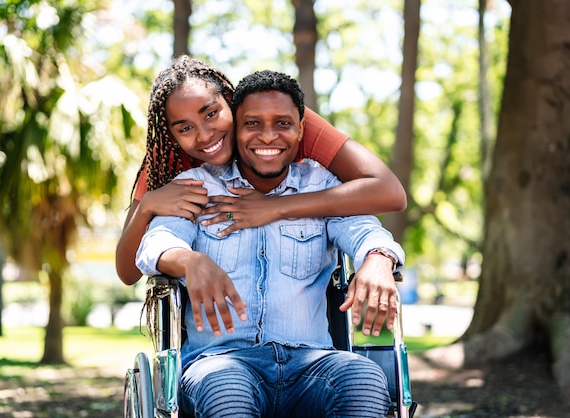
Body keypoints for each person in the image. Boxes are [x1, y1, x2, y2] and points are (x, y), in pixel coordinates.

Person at [136, 70, 405, 417]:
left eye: (282, 123)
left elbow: (365, 229)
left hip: (312, 364)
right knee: (225, 388)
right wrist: (188, 261)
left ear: (301, 130)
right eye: (252, 123)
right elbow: (157, 240)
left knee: (364, 377)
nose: (268, 136)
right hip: (221, 362)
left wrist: (379, 258)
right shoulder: (197, 187)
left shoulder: (319, 185)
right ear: (235, 126)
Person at [116, 55, 406, 285]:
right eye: (186, 128)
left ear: (232, 103)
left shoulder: (285, 124)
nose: (204, 135)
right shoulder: (168, 156)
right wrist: (147, 207)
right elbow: (128, 273)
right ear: (172, 134)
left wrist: (276, 207)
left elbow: (389, 192)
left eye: (211, 114)